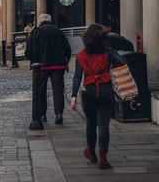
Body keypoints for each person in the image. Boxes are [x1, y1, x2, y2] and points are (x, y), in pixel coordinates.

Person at [71, 23, 125, 170]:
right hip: (106, 91)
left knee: (90, 123)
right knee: (103, 125)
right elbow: (123, 62)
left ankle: (90, 151)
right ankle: (103, 157)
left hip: (89, 93)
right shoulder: (108, 52)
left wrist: (73, 95)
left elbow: (77, 77)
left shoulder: (80, 56)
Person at [26, 13, 71, 125]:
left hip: (42, 66)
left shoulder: (36, 31)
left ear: (40, 22)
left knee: (41, 90)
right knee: (58, 90)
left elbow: (30, 50)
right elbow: (67, 48)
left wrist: (32, 64)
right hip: (58, 65)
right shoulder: (58, 31)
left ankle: (42, 114)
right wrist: (65, 61)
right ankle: (59, 113)